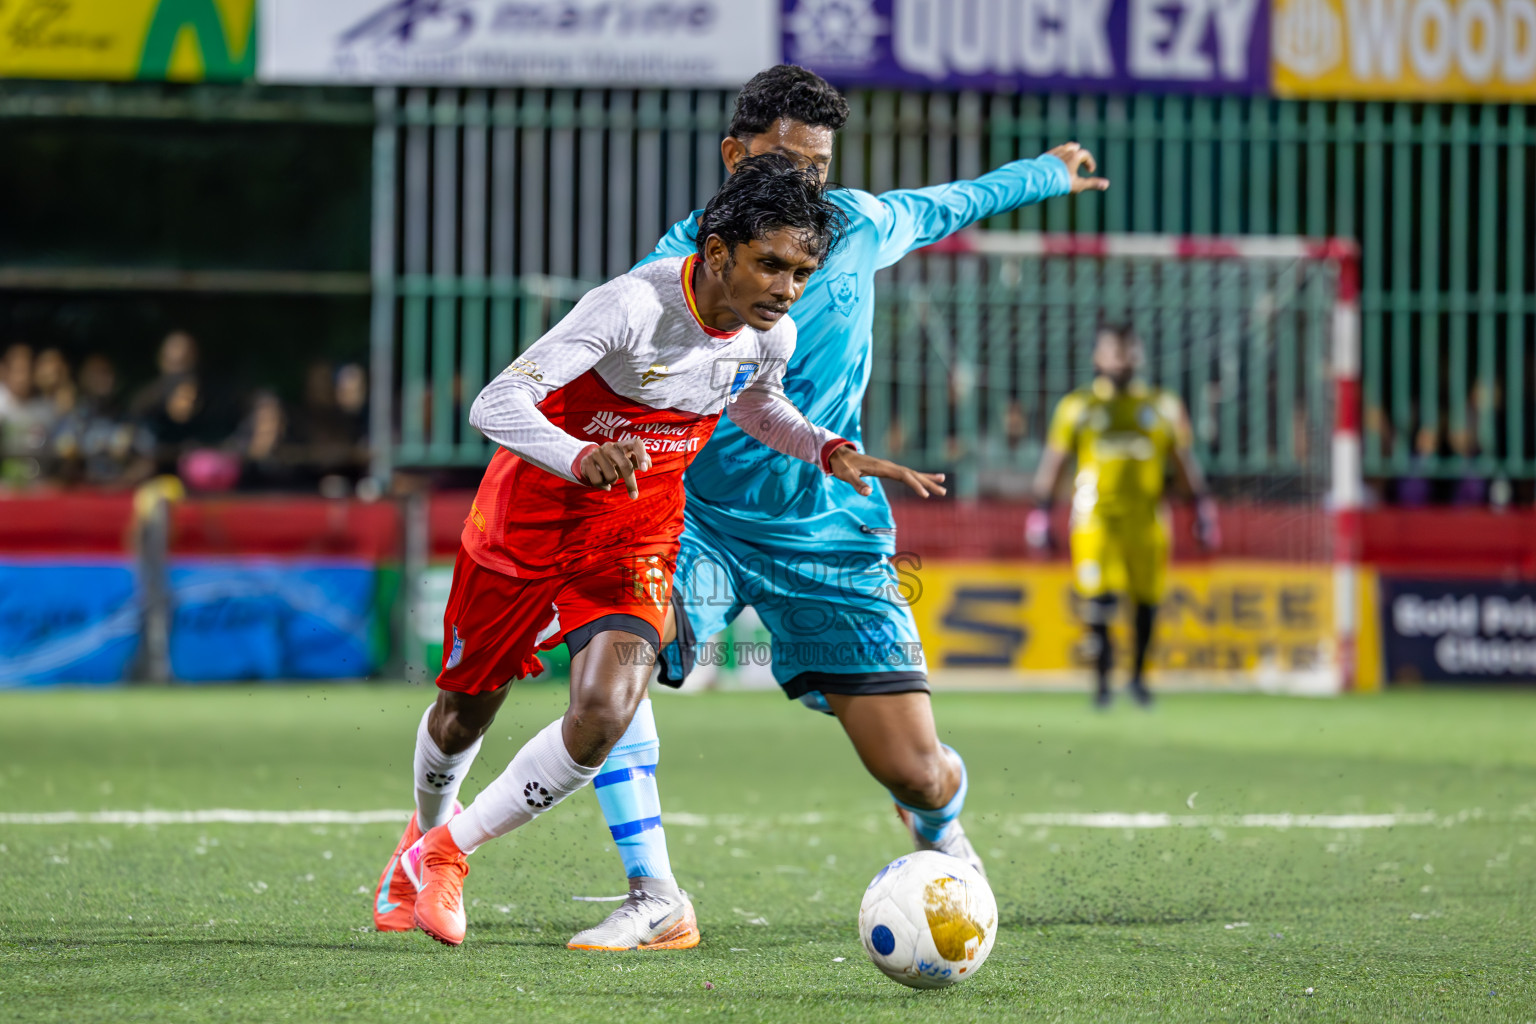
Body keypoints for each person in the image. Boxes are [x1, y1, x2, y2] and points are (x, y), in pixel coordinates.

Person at [557, 65, 1109, 952]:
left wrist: (1046, 173)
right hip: (692, 512)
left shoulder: (857, 223)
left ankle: (943, 835)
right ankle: (654, 893)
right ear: (735, 155)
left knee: (918, 772)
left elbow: (952, 203)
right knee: (618, 661)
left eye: (818, 166)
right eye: (785, 161)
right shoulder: (674, 266)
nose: (805, 185)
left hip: (826, 528)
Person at [373, 156, 944, 948]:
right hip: (526, 526)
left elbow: (756, 403)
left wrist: (828, 450)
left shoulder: (773, 333)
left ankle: (448, 853)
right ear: (717, 253)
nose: (786, 288)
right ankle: (420, 840)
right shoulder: (630, 306)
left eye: (802, 272)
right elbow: (494, 401)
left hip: (636, 530)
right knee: (465, 707)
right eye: (770, 264)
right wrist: (578, 455)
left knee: (606, 709)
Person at [1027, 323, 1219, 708]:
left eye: (1130, 351)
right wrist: (1041, 514)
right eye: (1115, 351)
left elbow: (1183, 462)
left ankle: (1138, 680)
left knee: (1146, 601)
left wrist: (1201, 508)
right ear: (1099, 357)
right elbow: (1055, 463)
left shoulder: (1162, 406)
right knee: (1099, 599)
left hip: (1147, 518)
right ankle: (1102, 684)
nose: (1123, 359)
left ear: (1141, 355)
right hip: (1094, 517)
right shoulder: (1078, 407)